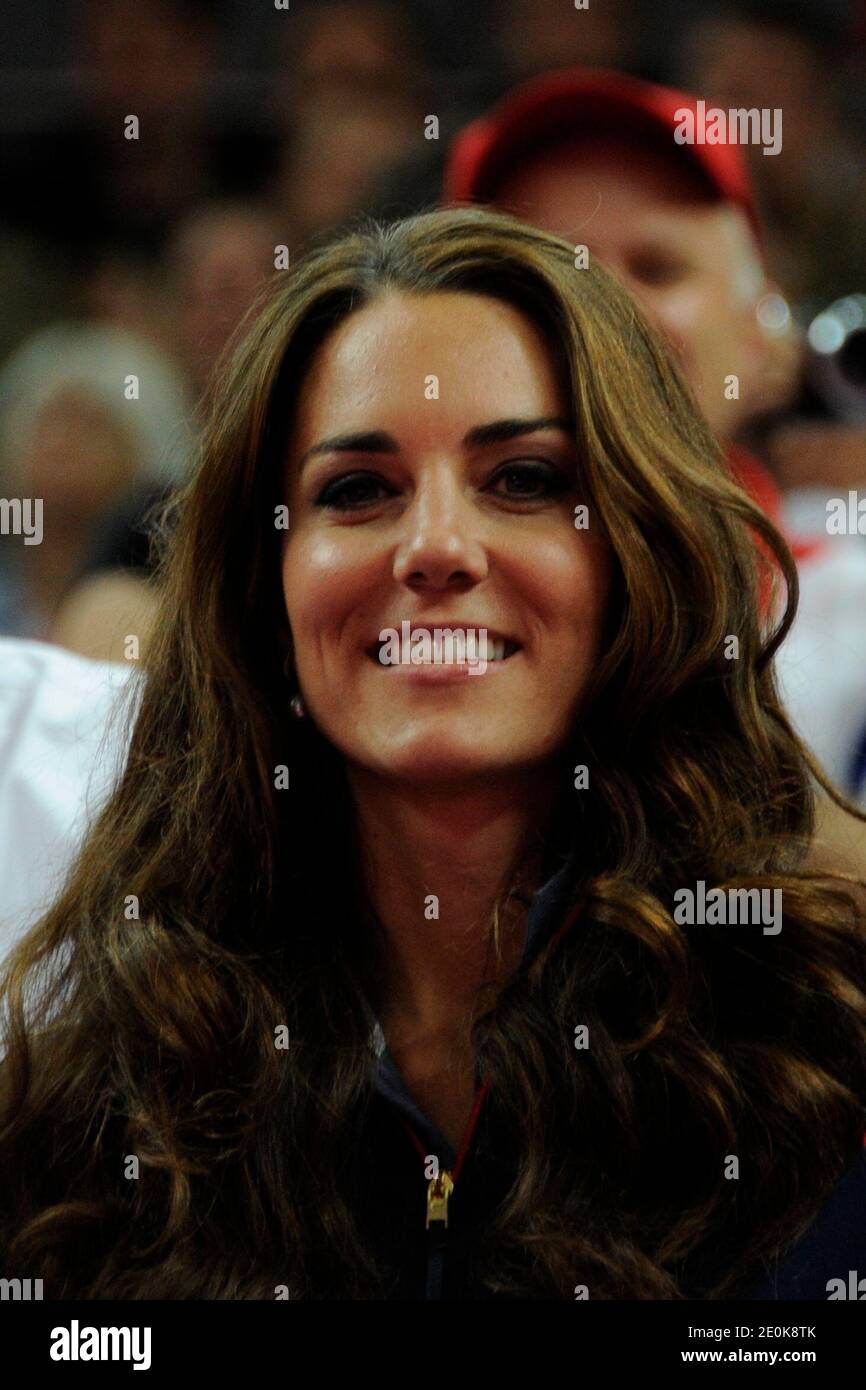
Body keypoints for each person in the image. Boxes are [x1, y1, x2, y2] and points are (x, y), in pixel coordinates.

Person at [1, 208, 865, 1300]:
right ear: (265, 587)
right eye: (356, 491)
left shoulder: (824, 1044)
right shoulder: (108, 1091)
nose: (435, 549)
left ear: (638, 554)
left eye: (523, 480)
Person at [441, 66, 866, 804]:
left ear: (765, 340)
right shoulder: (364, 605)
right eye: (548, 265)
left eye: (657, 267)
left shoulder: (853, 611)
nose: (603, 308)